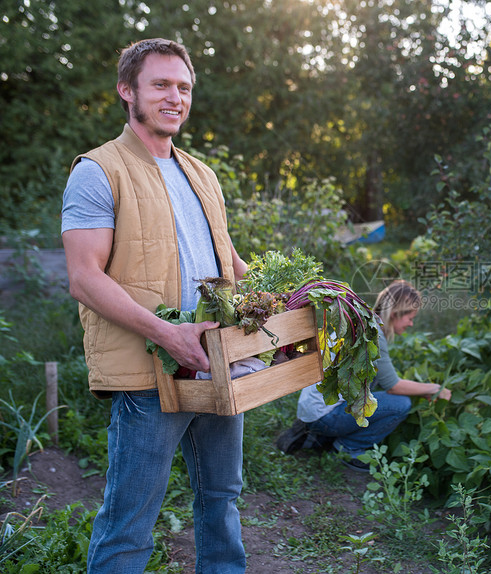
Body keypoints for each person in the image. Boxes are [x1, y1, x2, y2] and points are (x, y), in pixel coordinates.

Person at [61, 38, 249, 573]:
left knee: (222, 500)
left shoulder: (201, 174)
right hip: (149, 372)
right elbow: (84, 277)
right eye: (161, 85)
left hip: (215, 360)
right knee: (130, 523)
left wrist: (284, 307)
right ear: (128, 91)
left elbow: (229, 261)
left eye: (184, 87)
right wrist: (170, 335)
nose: (175, 97)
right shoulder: (98, 171)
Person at [277, 280, 451, 472]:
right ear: (396, 314)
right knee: (401, 405)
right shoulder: (374, 334)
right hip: (324, 415)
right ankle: (348, 449)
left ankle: (319, 436)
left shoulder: (363, 323)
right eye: (410, 317)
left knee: (374, 396)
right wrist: (435, 389)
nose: (411, 323)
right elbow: (393, 386)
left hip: (314, 409)